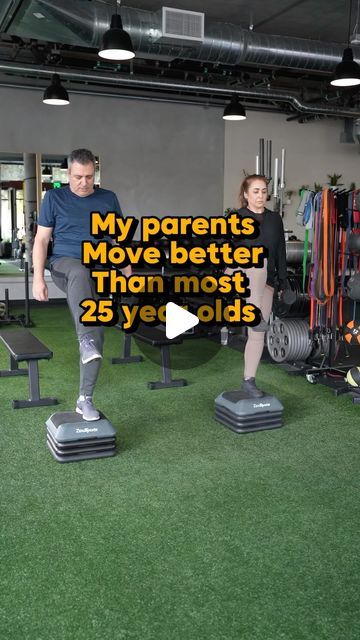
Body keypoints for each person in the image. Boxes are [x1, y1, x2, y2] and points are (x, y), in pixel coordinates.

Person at [32, 148, 131, 420]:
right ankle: (83, 338)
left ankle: (85, 398)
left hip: (99, 269)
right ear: (68, 174)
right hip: (65, 264)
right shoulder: (54, 197)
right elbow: (41, 241)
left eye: (89, 177)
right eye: (78, 177)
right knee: (79, 272)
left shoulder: (108, 199)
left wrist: (128, 274)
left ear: (95, 173)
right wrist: (38, 278)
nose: (84, 183)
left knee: (97, 334)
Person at [228, 174, 287, 398]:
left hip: (265, 281)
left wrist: (282, 282)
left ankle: (249, 381)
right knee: (258, 260)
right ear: (245, 194)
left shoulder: (275, 220)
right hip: (237, 276)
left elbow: (280, 251)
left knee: (257, 334)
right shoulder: (237, 218)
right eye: (255, 191)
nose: (260, 195)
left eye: (263, 191)